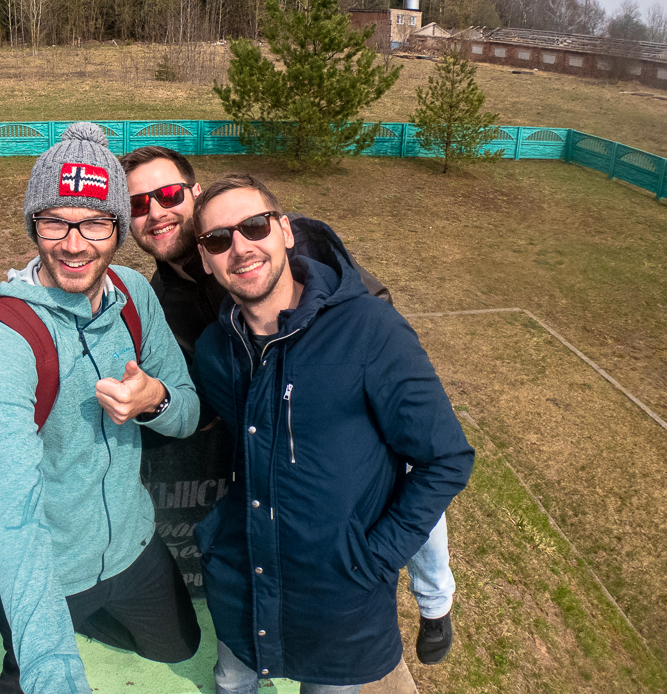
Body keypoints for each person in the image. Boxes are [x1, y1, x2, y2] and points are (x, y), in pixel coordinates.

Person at [121, 146, 457, 664]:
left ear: (194, 193)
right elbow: (197, 384)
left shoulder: (268, 231)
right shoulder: (162, 296)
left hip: (348, 379)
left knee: (405, 467)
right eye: (139, 205)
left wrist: (365, 365)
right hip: (265, 417)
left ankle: (435, 600)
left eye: (166, 195)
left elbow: (358, 299)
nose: (156, 213)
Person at [189, 173, 474, 693]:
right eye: (218, 239)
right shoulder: (214, 350)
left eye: (254, 226)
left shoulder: (370, 330)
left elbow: (445, 459)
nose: (241, 247)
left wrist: (375, 558)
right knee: (232, 683)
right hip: (244, 587)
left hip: (338, 604)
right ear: (205, 259)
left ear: (286, 231)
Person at [0, 123, 204, 694]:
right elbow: (13, 516)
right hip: (50, 565)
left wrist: (156, 402)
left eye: (96, 223)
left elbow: (189, 412)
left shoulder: (134, 295)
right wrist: (53, 673)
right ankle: (31, 629)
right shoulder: (8, 339)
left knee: (183, 647)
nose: (75, 245)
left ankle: (90, 619)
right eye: (55, 221)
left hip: (132, 545)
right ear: (34, 224)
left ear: (120, 228)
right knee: (29, 678)